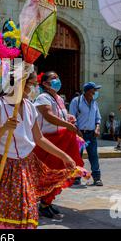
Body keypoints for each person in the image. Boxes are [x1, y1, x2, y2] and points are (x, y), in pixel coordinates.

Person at [0, 69, 87, 229]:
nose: (34, 89)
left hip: (26, 165)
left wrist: (64, 156)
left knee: (26, 207)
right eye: (32, 85)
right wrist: (5, 127)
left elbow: (39, 138)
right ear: (21, 85)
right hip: (5, 167)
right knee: (7, 209)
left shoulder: (30, 107)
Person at [33, 71, 84, 220]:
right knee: (49, 173)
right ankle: (43, 204)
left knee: (60, 172)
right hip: (48, 141)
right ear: (45, 83)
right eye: (53, 78)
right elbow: (48, 116)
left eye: (58, 77)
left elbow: (61, 115)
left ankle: (47, 202)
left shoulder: (59, 98)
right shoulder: (43, 97)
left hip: (61, 140)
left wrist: (69, 118)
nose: (57, 80)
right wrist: (67, 125)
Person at [69, 82, 103, 186]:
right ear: (88, 91)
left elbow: (98, 118)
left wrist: (97, 128)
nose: (95, 92)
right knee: (77, 156)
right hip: (79, 134)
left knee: (93, 156)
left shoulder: (94, 103)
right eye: (94, 90)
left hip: (91, 135)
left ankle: (97, 178)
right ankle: (76, 178)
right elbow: (71, 118)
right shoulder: (76, 101)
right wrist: (77, 131)